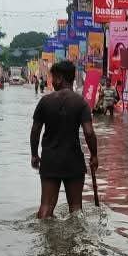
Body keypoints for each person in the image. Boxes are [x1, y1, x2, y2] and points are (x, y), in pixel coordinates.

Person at [30, 60, 98, 219]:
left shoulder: (45, 101)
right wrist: (94, 155)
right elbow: (89, 132)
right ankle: (75, 241)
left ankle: (45, 240)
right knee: (76, 209)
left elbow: (35, 131)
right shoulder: (81, 103)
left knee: (46, 207)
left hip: (50, 159)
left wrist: (34, 154)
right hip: (73, 160)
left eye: (53, 78)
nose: (52, 82)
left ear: (60, 78)